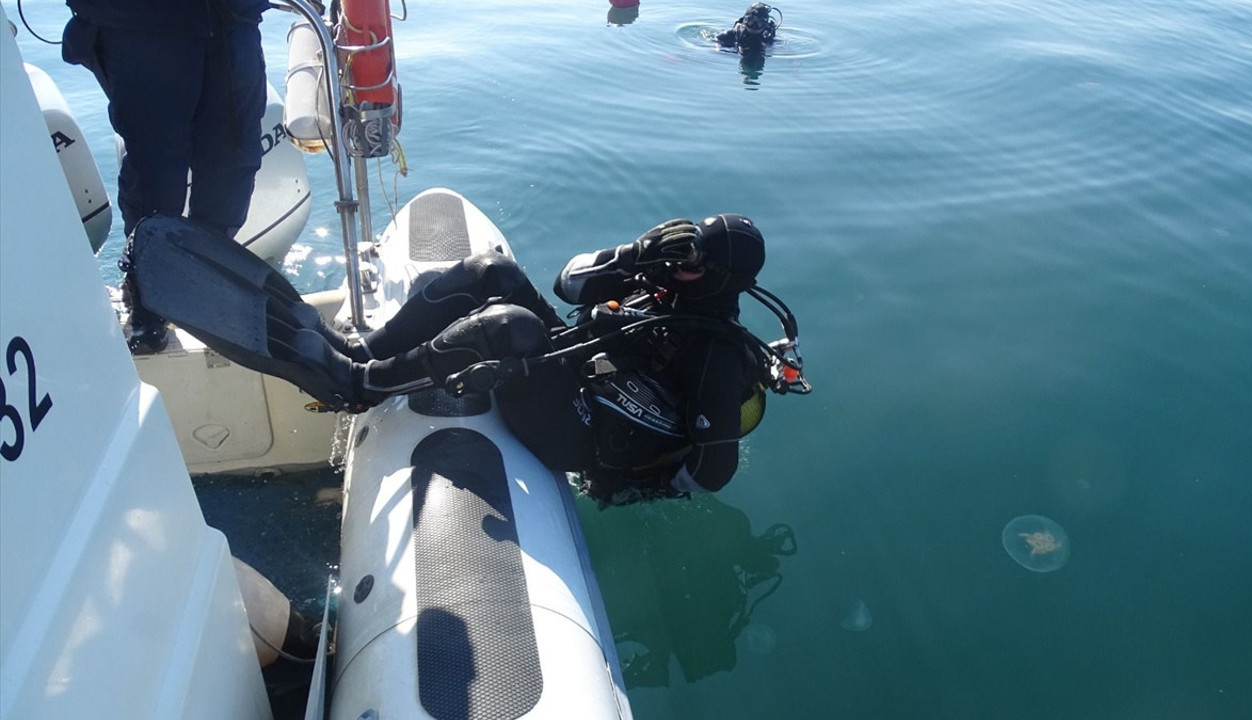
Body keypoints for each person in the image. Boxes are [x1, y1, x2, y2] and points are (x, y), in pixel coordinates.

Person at [126, 212, 810, 504]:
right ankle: (372, 351)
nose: (674, 260)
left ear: (716, 278)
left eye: (688, 258)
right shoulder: (654, 278)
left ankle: (360, 384)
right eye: (675, 246)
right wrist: (633, 254)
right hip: (579, 374)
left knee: (510, 326)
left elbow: (713, 473)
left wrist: (631, 486)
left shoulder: (716, 356)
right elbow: (573, 284)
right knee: (491, 271)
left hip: (587, 433)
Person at [61, 0, 272, 352]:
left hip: (233, 17)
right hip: (141, 23)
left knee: (234, 160)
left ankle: (208, 280)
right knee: (156, 172)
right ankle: (149, 301)